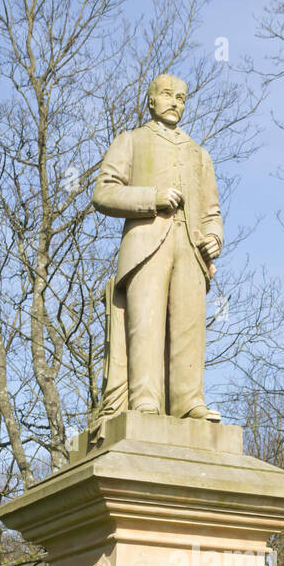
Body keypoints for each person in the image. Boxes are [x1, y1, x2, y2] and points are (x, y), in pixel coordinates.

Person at [92, 73, 224, 423]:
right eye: (167, 95)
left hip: (191, 251)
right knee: (146, 324)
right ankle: (145, 402)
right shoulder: (131, 140)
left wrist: (214, 236)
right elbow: (104, 192)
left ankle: (189, 402)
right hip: (146, 246)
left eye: (181, 98)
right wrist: (152, 197)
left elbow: (212, 211)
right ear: (151, 100)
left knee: (189, 328)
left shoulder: (199, 154)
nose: (175, 103)